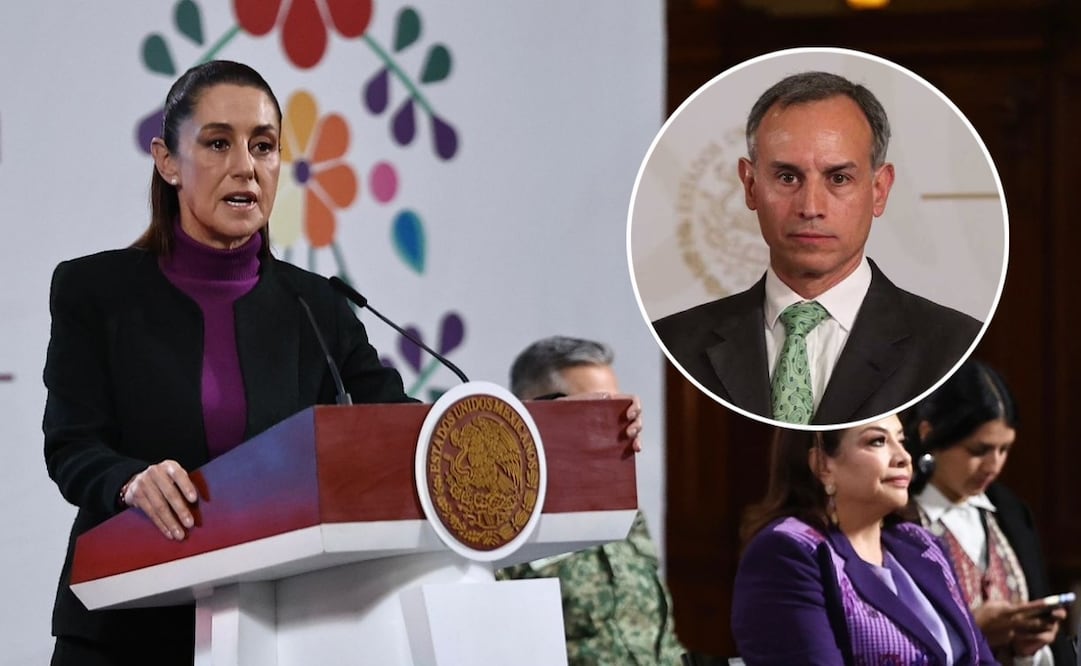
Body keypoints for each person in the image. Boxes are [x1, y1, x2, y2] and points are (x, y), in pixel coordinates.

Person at [40, 61, 645, 666]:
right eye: (218, 143)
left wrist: (562, 429)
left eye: (264, 146)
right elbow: (72, 446)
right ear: (168, 160)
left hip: (270, 631)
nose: (245, 166)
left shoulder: (316, 305)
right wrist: (130, 480)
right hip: (126, 627)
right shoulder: (96, 291)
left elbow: (410, 433)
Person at [652, 71, 982, 426]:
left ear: (880, 189)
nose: (810, 206)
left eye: (838, 178)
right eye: (787, 177)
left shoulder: (955, 346)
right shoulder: (673, 345)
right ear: (750, 186)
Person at [732, 416, 996, 665]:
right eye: (877, 441)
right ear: (823, 465)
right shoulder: (787, 553)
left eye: (901, 441)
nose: (904, 457)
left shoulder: (922, 544)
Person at [495, 336, 684, 666]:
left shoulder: (624, 507)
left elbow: (657, 629)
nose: (617, 423)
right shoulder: (500, 518)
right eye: (596, 408)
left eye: (617, 407)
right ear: (535, 408)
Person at [905, 359, 1073, 665]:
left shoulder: (1010, 511)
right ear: (929, 434)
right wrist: (972, 631)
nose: (994, 466)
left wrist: (1031, 645)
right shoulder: (896, 519)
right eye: (978, 450)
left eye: (1004, 449)